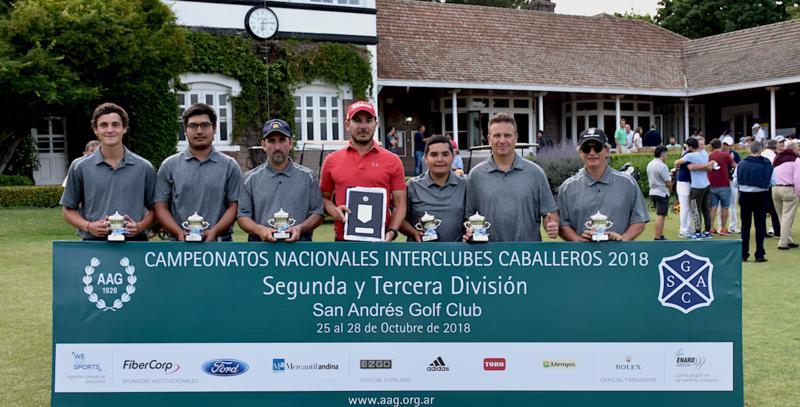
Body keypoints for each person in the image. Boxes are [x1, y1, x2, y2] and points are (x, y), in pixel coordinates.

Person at [60, 102, 155, 240]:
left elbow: (157, 209)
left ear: (125, 128)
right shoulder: (79, 166)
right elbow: (68, 210)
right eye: (104, 125)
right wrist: (88, 226)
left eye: (115, 124)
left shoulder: (144, 167)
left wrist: (139, 226)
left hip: (135, 244)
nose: (110, 130)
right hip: (94, 244)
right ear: (95, 130)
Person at [320, 101, 407, 242]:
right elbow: (323, 198)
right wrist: (333, 211)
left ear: (375, 124)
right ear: (347, 124)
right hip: (343, 243)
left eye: (368, 120)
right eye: (357, 120)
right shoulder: (331, 160)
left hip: (380, 242)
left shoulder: (393, 160)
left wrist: (392, 232)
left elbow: (400, 204)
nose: (363, 126)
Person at [465, 113, 558, 242]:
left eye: (507, 135)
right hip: (488, 255)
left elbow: (550, 213)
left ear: (516, 138)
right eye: (497, 135)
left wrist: (552, 225)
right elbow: (469, 216)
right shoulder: (475, 175)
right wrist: (470, 230)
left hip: (527, 256)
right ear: (489, 139)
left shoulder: (535, 173)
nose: (502, 140)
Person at [154, 104, 241, 242]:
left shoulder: (230, 166)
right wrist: (178, 232)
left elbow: (234, 206)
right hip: (179, 247)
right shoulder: (169, 165)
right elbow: (160, 206)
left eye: (205, 125)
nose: (199, 131)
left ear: (215, 128)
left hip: (220, 246)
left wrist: (214, 231)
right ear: (185, 130)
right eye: (193, 126)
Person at [238, 119, 324, 242]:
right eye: (271, 141)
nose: (277, 147)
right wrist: (261, 230)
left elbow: (318, 214)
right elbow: (243, 217)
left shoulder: (308, 176)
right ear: (263, 144)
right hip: (261, 253)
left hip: (300, 251)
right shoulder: (249, 178)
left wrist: (300, 228)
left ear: (290, 143)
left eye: (282, 140)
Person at [558, 128, 649, 242]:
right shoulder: (567, 187)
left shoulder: (628, 184)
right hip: (582, 256)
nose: (592, 153)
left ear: (607, 151)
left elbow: (639, 221)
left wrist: (623, 239)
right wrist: (577, 240)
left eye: (597, 147)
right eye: (586, 149)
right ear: (580, 153)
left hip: (619, 255)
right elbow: (562, 224)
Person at [401, 135, 467, 242]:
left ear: (453, 157)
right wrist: (414, 233)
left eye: (445, 154)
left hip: (457, 254)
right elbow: (400, 219)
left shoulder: (465, 186)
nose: (440, 159)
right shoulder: (412, 186)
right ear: (426, 158)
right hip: (422, 254)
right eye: (434, 155)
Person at [736, 141, 773, 262]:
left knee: (745, 226)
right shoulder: (767, 164)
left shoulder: (741, 163)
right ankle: (759, 254)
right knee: (760, 225)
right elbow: (773, 181)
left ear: (750, 150)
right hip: (761, 195)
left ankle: (743, 253)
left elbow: (736, 182)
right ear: (761, 150)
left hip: (745, 195)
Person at [674, 137, 715, 239]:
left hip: (696, 186)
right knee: (701, 208)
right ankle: (703, 231)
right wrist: (707, 165)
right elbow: (704, 167)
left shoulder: (690, 155)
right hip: (700, 184)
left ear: (690, 147)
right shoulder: (703, 153)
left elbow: (677, 163)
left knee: (696, 209)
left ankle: (696, 231)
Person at [771, 140, 800, 250]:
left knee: (781, 216)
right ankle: (783, 243)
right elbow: (797, 179)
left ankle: (788, 239)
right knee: (788, 217)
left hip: (775, 188)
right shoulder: (796, 160)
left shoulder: (777, 158)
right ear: (793, 149)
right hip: (788, 189)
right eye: (798, 148)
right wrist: (798, 192)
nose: (798, 150)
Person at [707, 138, 735, 235]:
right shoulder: (725, 155)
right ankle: (723, 228)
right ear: (720, 145)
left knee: (712, 208)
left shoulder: (709, 156)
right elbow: (734, 165)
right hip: (724, 184)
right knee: (725, 207)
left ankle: (711, 227)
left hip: (711, 184)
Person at [647, 146, 672, 240]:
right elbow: (668, 182)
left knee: (660, 214)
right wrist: (670, 189)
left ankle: (660, 235)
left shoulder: (650, 163)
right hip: (661, 192)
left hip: (652, 191)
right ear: (663, 154)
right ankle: (658, 236)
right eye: (666, 154)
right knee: (660, 215)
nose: (667, 156)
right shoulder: (662, 166)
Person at [761, 139, 781, 237]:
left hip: (761, 185)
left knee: (762, 210)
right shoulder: (774, 156)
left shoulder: (762, 154)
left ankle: (763, 231)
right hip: (770, 185)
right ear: (775, 147)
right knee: (774, 210)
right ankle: (777, 230)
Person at [722, 136, 741, 233]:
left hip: (732, 181)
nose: (726, 146)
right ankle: (721, 226)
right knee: (722, 205)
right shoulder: (720, 154)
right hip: (722, 183)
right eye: (724, 144)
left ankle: (733, 227)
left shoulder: (735, 154)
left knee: (733, 204)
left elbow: (739, 167)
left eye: (728, 145)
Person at [675, 142, 693, 238]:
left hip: (689, 182)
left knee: (690, 207)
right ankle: (683, 229)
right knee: (685, 207)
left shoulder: (689, 154)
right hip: (684, 183)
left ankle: (689, 227)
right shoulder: (687, 154)